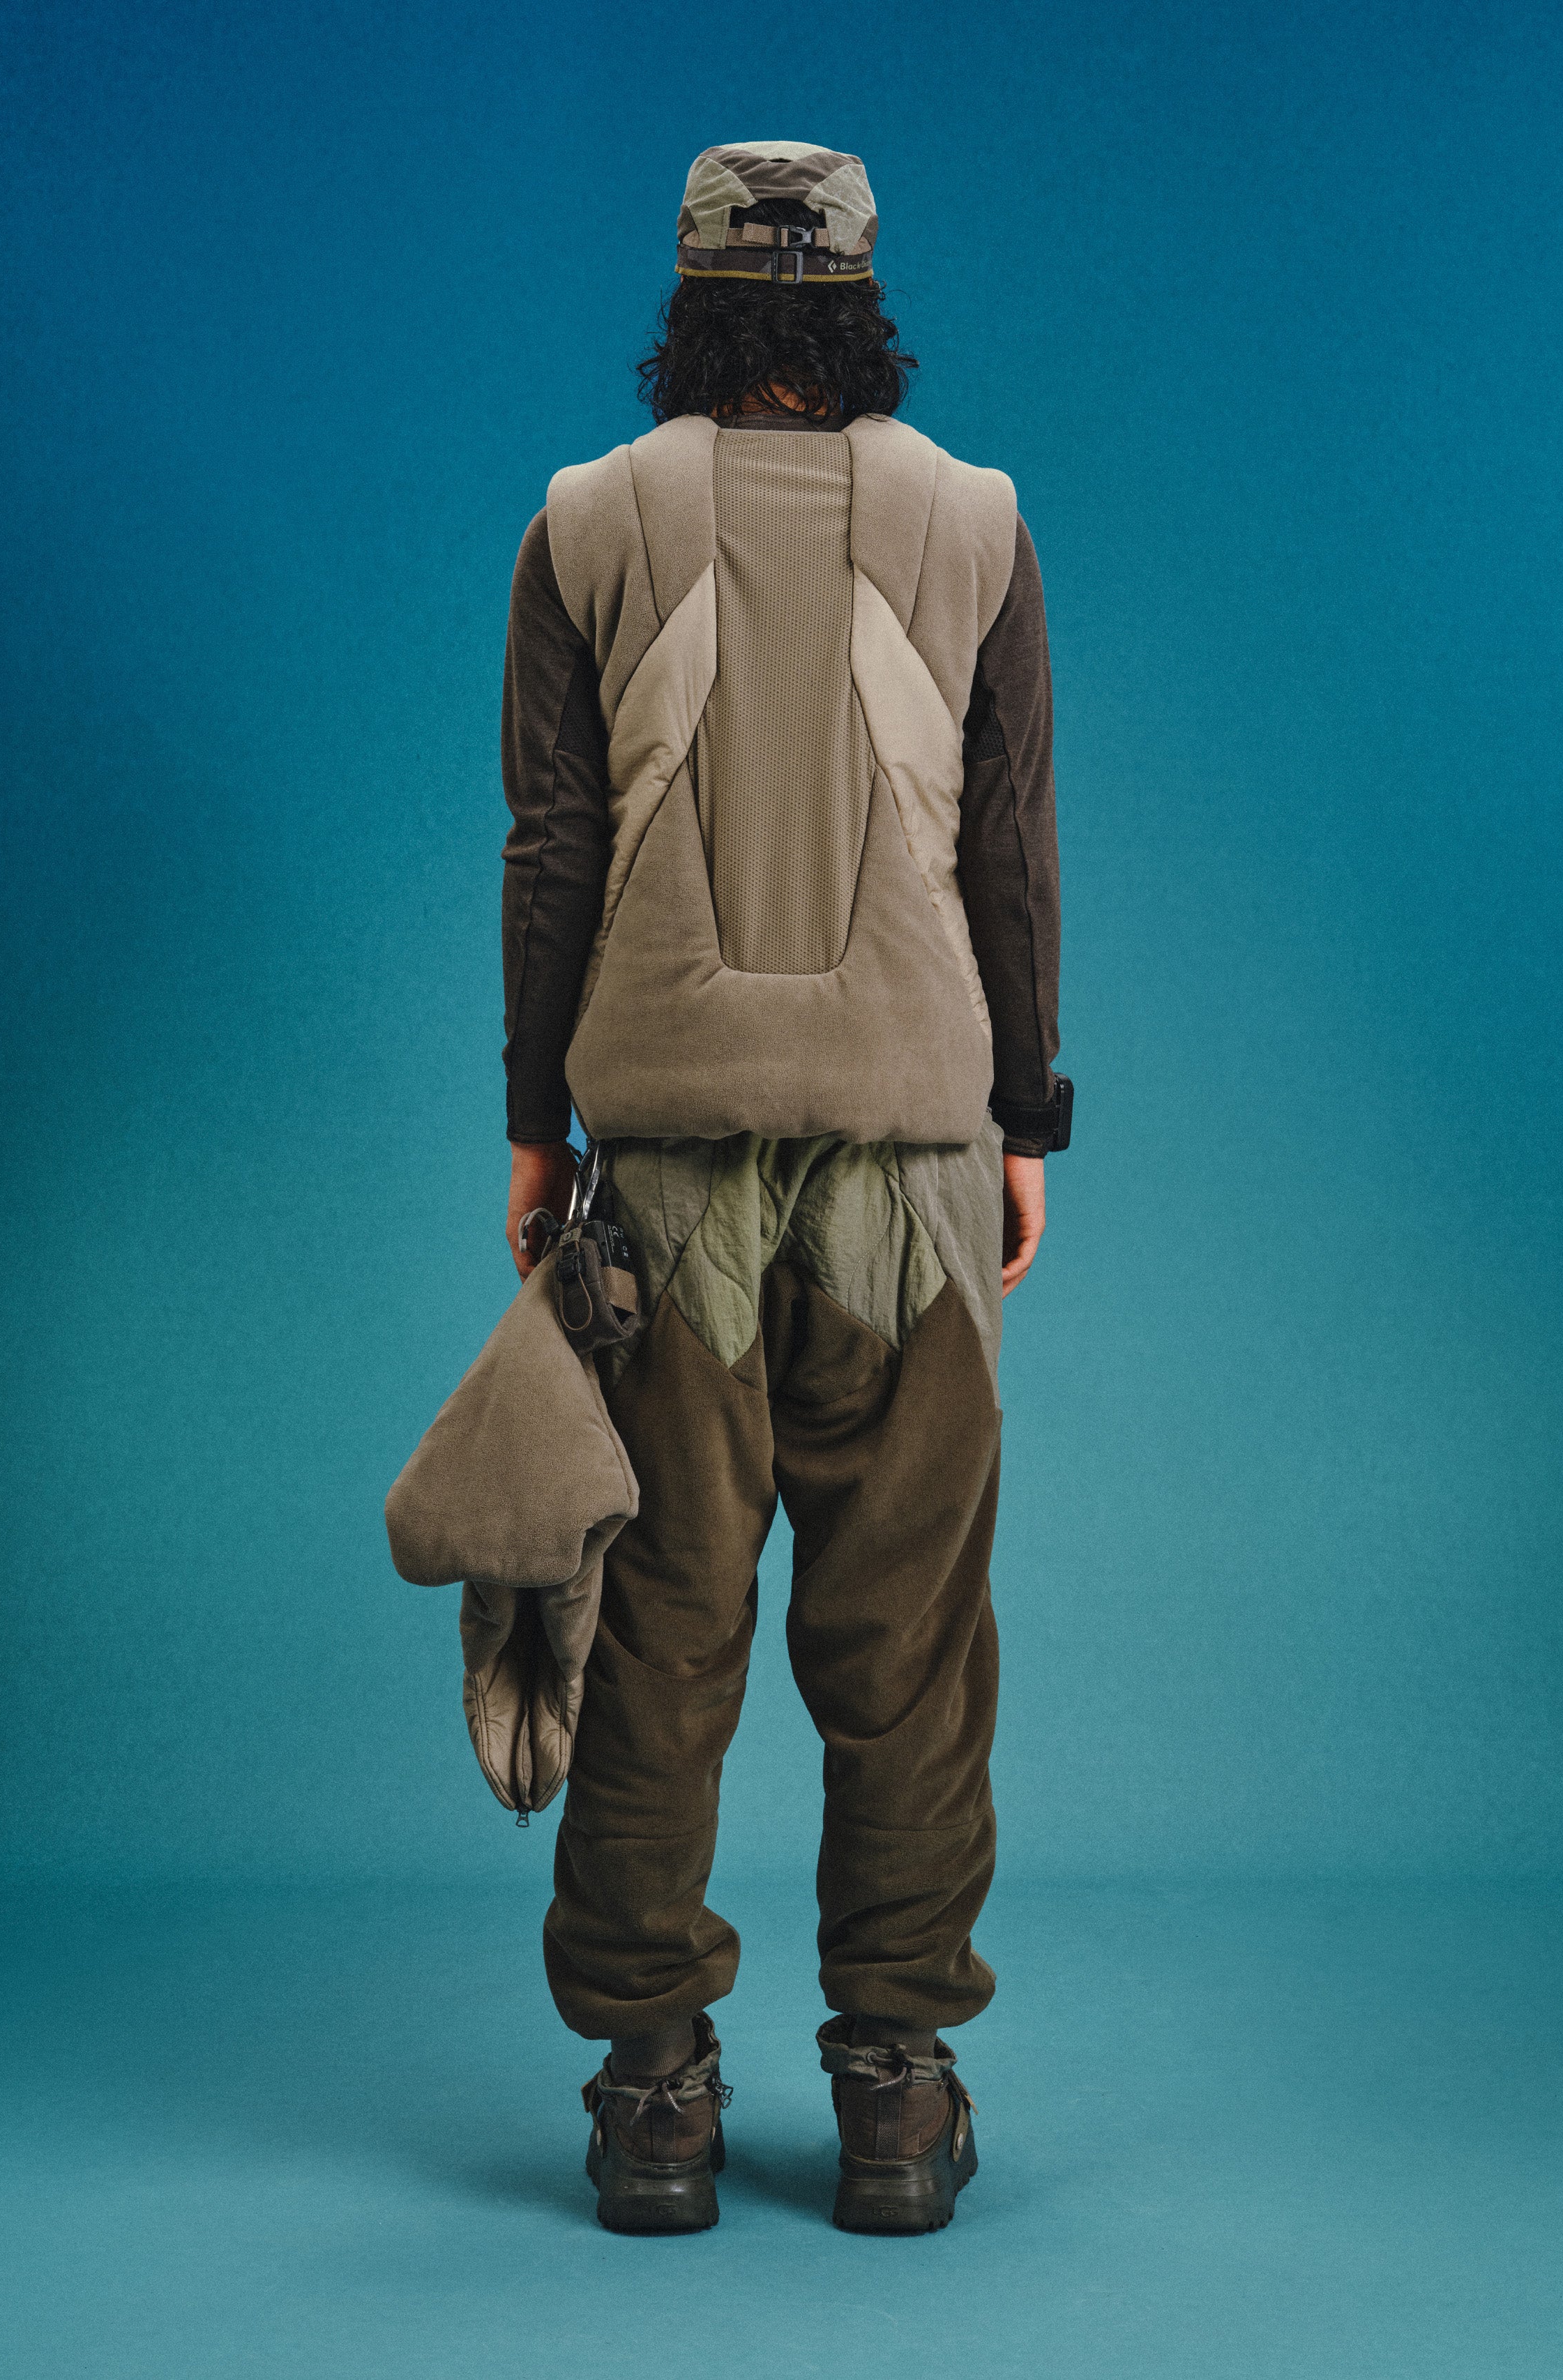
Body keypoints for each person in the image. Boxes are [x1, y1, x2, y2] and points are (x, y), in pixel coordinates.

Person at [497, 140, 1065, 2235]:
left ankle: (652, 2092)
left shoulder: (583, 521)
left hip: (661, 1174)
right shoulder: (979, 521)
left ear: (690, 302)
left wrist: (537, 1131)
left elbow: (553, 851)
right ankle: (897, 2092)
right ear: (861, 304)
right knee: (908, 1634)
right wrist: (1026, 1121)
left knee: (655, 1622)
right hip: (918, 1163)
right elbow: (1008, 845)